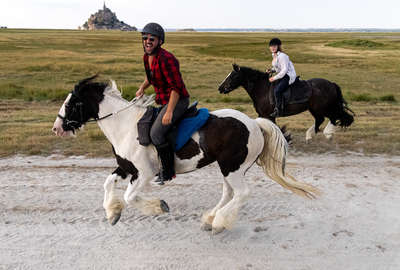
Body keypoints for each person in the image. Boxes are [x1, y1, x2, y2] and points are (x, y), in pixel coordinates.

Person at [136, 22, 190, 182]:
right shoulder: (147, 57)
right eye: (145, 38)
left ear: (160, 41)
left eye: (152, 39)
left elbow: (176, 88)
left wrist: (169, 111)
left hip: (178, 100)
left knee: (156, 133)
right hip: (164, 100)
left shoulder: (167, 59)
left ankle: (168, 171)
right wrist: (142, 88)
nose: (147, 41)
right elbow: (151, 76)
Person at [267, 38, 297, 117]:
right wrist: (271, 70)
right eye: (271, 46)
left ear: (278, 47)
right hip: (282, 75)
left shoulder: (283, 56)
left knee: (277, 90)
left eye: (274, 46)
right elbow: (278, 68)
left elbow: (284, 70)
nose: (272, 48)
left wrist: (274, 78)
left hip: (288, 75)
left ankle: (278, 110)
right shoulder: (274, 55)